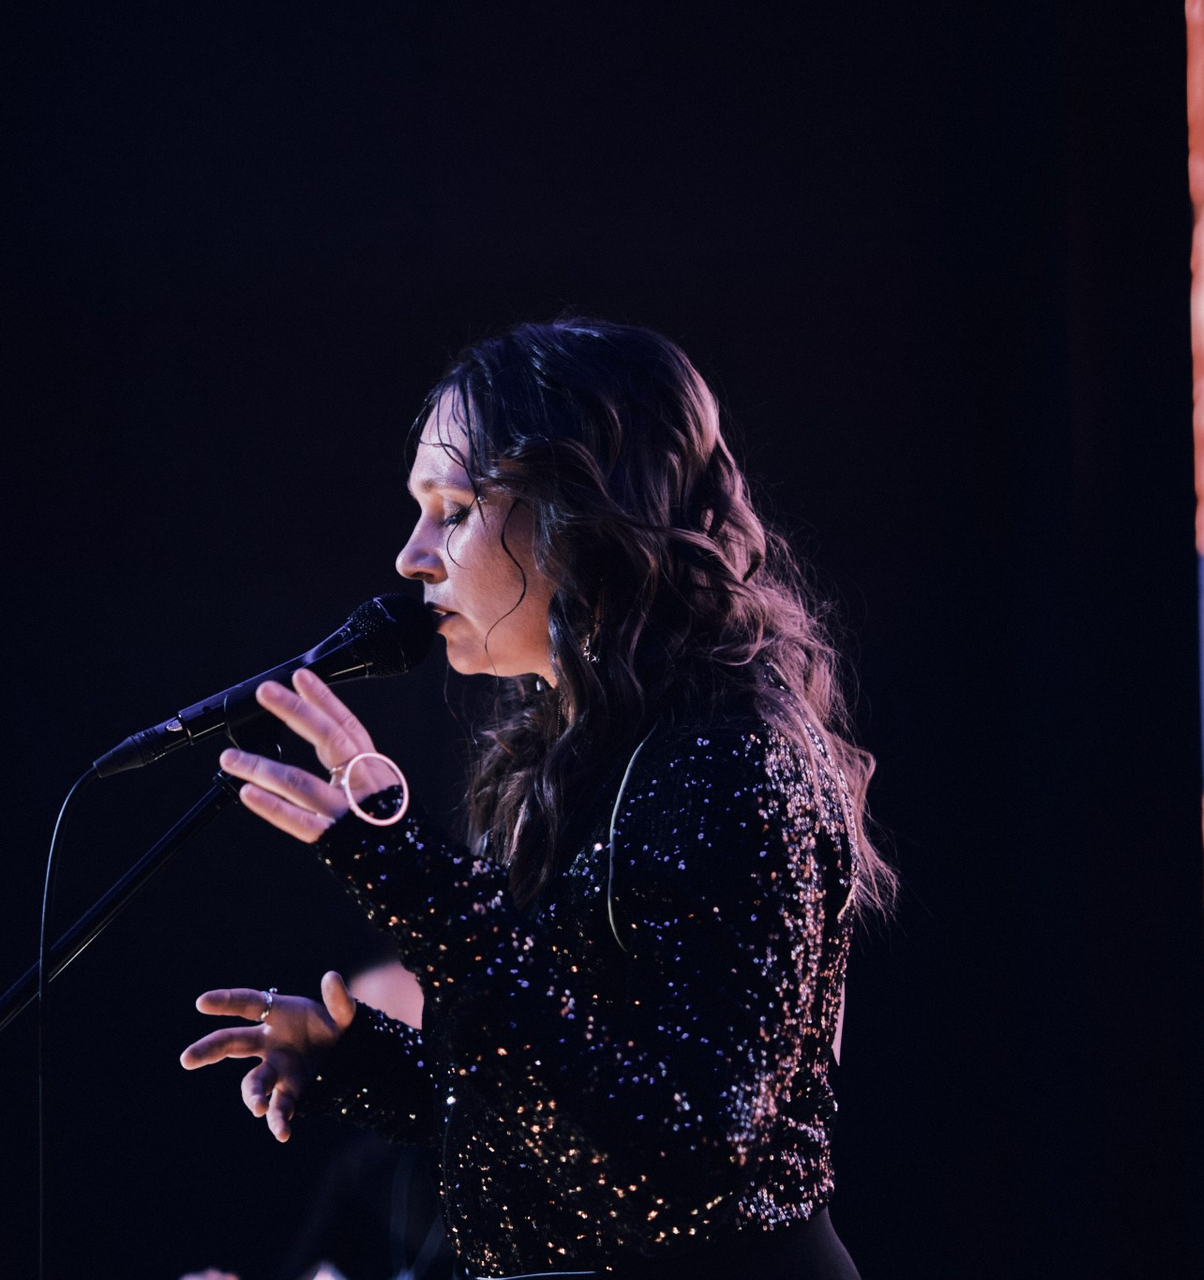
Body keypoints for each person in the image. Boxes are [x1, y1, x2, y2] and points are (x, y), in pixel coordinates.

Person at [181, 319, 891, 1279]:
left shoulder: (732, 758)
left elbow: (680, 1159)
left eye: (452, 509)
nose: (411, 555)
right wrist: (370, 1068)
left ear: (580, 511)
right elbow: (570, 1107)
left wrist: (412, 880)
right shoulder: (583, 753)